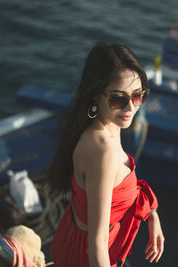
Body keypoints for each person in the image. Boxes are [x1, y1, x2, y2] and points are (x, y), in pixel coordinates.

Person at [47, 43, 164, 267]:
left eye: (138, 96)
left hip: (73, 237)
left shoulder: (104, 126)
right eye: (119, 99)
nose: (130, 107)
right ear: (96, 96)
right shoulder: (103, 151)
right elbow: (97, 243)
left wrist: (151, 214)